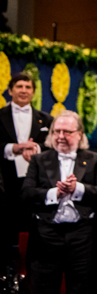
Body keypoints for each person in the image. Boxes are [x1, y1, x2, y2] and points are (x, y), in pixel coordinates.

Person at [21, 111, 97, 294]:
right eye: (56, 131)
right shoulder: (40, 160)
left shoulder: (94, 159)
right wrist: (55, 192)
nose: (61, 136)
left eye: (67, 131)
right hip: (46, 237)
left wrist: (78, 189)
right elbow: (27, 193)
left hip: (81, 237)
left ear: (79, 134)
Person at [0, 73, 52, 265]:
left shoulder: (46, 119)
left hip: (36, 185)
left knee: (33, 232)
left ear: (34, 92)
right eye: (19, 86)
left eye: (28, 87)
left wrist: (36, 149)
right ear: (10, 90)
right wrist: (12, 148)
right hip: (5, 184)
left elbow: (53, 146)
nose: (23, 90)